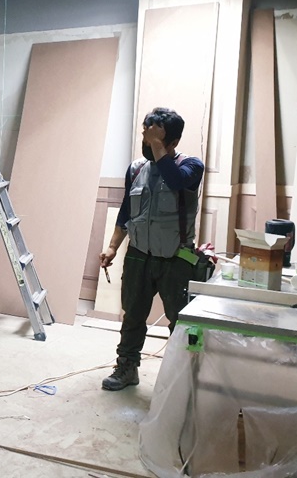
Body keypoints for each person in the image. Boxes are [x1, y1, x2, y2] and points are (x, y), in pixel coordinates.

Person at [99, 107, 205, 391]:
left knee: (182, 321)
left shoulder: (192, 166)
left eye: (155, 139)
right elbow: (126, 210)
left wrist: (158, 145)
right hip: (139, 255)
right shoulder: (136, 169)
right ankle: (127, 367)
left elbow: (175, 181)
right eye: (146, 137)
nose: (147, 143)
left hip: (176, 259)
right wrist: (112, 246)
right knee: (133, 315)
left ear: (173, 141)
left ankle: (185, 379)